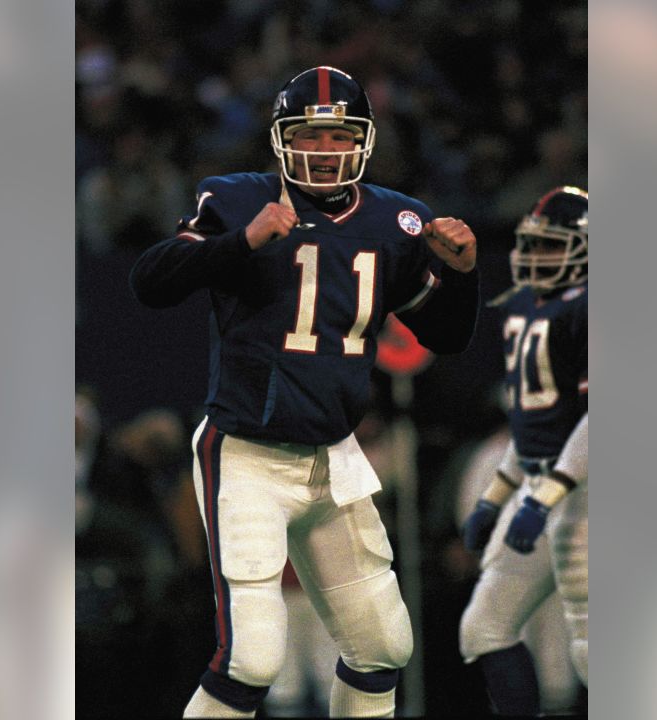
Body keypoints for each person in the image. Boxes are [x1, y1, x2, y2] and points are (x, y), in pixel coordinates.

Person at [129, 65, 480, 719]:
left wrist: (460, 276)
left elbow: (448, 334)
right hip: (247, 450)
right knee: (253, 658)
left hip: (331, 452)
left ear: (363, 140)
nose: (323, 152)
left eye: (337, 137)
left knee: (383, 645)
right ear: (282, 140)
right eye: (309, 138)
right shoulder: (239, 199)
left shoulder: (397, 219)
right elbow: (150, 281)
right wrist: (240, 243)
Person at [458, 187, 589, 715]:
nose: (537, 257)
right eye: (533, 244)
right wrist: (495, 496)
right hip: (541, 484)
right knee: (483, 628)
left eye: (553, 246)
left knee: (591, 647)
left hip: (588, 492)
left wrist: (544, 497)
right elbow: (534, 427)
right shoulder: (523, 306)